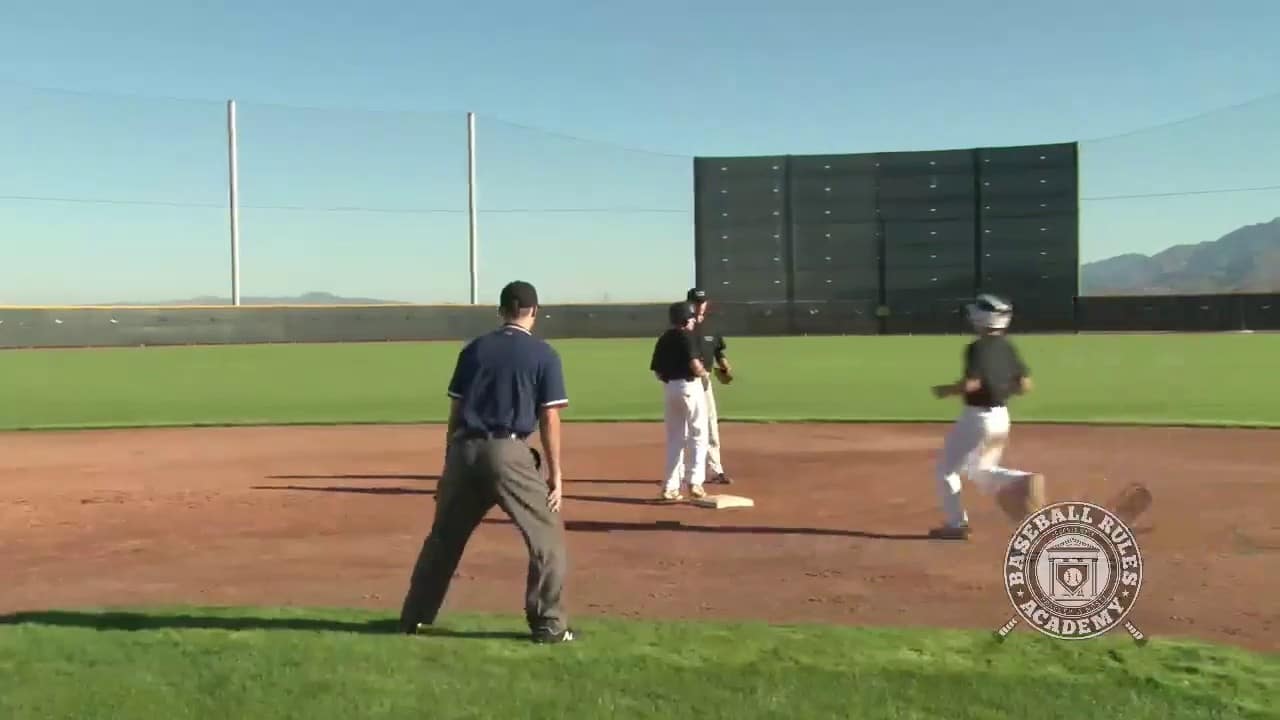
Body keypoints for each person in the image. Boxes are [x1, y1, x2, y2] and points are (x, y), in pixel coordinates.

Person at [398, 280, 576, 643]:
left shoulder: (475, 349)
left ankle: (413, 618)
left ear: (501, 311)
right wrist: (556, 474)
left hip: (464, 451)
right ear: (534, 313)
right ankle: (549, 626)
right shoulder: (544, 354)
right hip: (507, 453)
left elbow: (455, 412)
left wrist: (449, 466)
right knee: (547, 538)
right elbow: (549, 418)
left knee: (444, 539)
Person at [928, 294, 1046, 540]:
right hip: (1001, 417)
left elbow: (972, 384)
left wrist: (945, 391)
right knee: (981, 470)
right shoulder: (1008, 346)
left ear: (981, 318)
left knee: (946, 470)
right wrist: (1000, 388)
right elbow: (1025, 385)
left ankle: (956, 525)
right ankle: (1022, 480)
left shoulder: (976, 348)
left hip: (977, 419)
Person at [649, 301, 710, 502]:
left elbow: (657, 371)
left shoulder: (664, 338)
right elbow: (694, 364)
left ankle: (670, 487)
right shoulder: (687, 336)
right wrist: (704, 372)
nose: (693, 321)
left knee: (675, 438)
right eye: (691, 317)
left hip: (670, 389)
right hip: (689, 387)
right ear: (685, 319)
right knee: (699, 433)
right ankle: (695, 483)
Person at [687, 287, 734, 485]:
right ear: (689, 303)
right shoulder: (683, 326)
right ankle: (683, 471)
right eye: (696, 302)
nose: (700, 306)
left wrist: (723, 363)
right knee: (685, 429)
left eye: (703, 302)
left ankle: (715, 470)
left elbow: (717, 350)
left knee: (710, 425)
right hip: (685, 382)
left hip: (705, 382)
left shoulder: (712, 327)